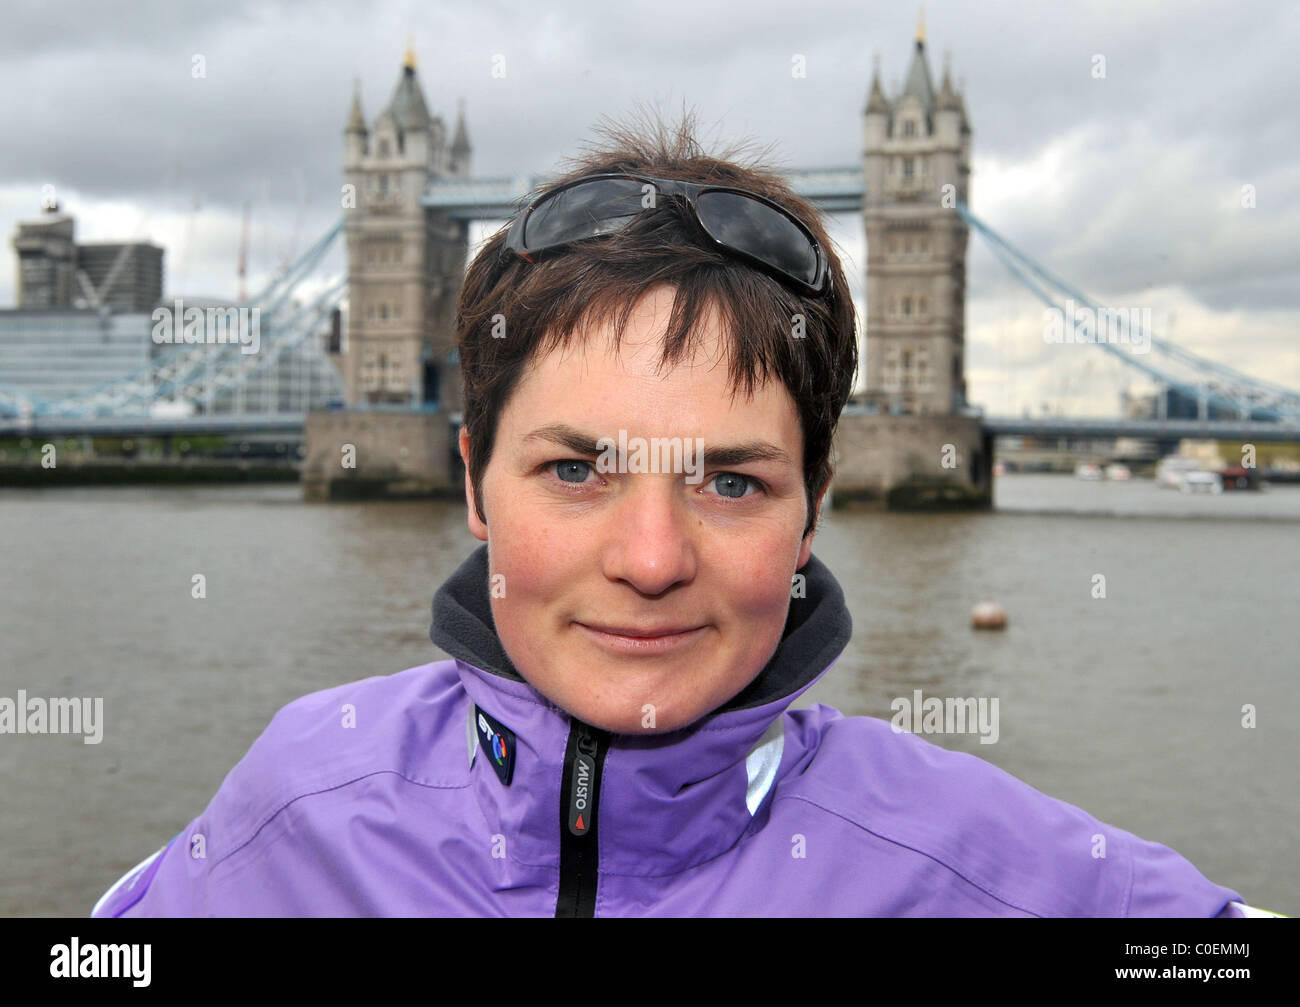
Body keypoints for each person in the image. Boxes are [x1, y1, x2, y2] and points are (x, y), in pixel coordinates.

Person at [91, 113, 1273, 918]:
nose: (651, 559)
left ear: (813, 505)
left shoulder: (973, 860)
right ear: (471, 481)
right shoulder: (294, 808)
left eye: (730, 481)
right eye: (574, 470)